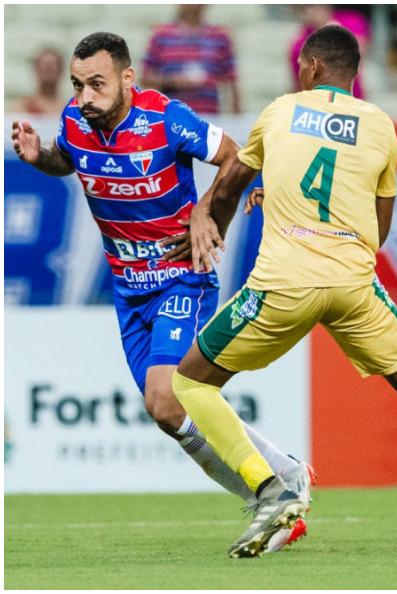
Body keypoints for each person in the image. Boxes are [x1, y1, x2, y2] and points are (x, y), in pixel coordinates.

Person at [169, 24, 397, 559]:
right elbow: (379, 228)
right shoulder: (380, 125)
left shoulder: (280, 111)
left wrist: (211, 226)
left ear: (312, 67)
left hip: (283, 285)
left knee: (189, 384)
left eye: (300, 66)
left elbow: (230, 186)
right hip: (355, 288)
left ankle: (270, 487)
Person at [9, 32, 310, 553]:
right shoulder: (75, 121)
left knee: (166, 399)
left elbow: (237, 156)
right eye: (78, 85)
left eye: (97, 84)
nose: (85, 96)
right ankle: (284, 476)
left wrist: (204, 211)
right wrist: (42, 158)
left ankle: (271, 494)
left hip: (180, 275)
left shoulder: (167, 118)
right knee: (170, 414)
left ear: (128, 78)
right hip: (128, 290)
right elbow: (67, 158)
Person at [141, 4, 240, 114]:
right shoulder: (161, 35)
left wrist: (237, 118)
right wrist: (173, 81)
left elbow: (232, 82)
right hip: (170, 117)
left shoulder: (220, 37)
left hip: (208, 118)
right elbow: (145, 78)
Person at [11, 48, 66, 114]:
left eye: (51, 67)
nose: (48, 72)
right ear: (36, 70)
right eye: (45, 67)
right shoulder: (23, 107)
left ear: (60, 71)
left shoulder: (70, 109)